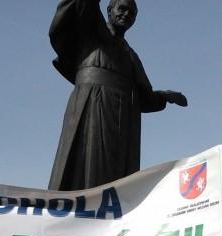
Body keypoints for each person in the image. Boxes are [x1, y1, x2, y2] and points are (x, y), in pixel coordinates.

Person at [48, 0, 188, 192]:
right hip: (93, 105)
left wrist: (164, 97)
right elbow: (83, 6)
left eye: (132, 13)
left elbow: (144, 98)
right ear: (109, 10)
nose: (126, 15)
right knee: (89, 166)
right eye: (122, 9)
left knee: (119, 179)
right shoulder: (92, 30)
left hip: (125, 121)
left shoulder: (131, 55)